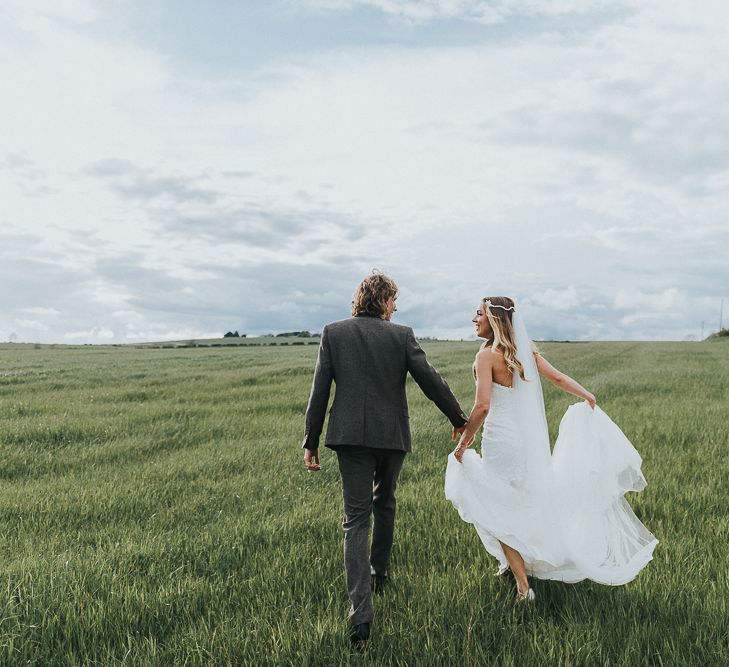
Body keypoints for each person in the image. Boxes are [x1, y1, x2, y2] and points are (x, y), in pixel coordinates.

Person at [445, 296, 658, 601]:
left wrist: (464, 443)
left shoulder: (486, 357)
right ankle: (514, 564)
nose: (473, 319)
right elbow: (556, 377)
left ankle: (522, 585)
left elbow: (482, 406)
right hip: (524, 444)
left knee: (497, 508)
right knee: (518, 503)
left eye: (478, 314)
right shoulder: (523, 352)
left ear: (493, 320)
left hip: (501, 443)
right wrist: (588, 395)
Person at [302, 271, 468, 651]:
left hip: (349, 439)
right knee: (385, 502)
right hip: (391, 437)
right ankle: (380, 572)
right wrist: (458, 418)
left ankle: (360, 617)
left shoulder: (333, 332)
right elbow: (431, 380)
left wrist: (310, 441)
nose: (397, 306)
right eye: (394, 299)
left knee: (355, 520)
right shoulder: (402, 335)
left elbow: (320, 390)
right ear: (382, 300)